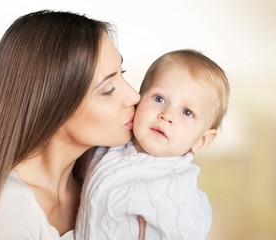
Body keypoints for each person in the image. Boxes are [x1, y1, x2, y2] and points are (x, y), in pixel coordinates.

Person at [0, 10, 141, 240]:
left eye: (122, 74)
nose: (134, 96)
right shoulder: (10, 209)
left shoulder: (103, 181)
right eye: (108, 90)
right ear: (55, 104)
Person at [75, 49, 230, 240]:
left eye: (187, 112)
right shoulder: (110, 143)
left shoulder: (177, 194)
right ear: (138, 99)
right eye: (159, 99)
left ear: (201, 141)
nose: (167, 115)